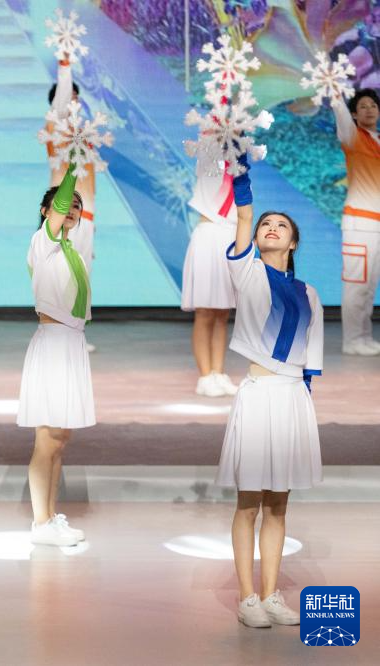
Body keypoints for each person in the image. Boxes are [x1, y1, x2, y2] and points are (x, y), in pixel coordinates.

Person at [216, 153, 323, 628]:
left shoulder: (310, 294)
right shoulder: (249, 273)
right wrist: (240, 170)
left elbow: (310, 363)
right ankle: (247, 598)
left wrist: (304, 409)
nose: (271, 228)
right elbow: (243, 215)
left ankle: (271, 594)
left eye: (282, 225)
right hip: (259, 396)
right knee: (249, 503)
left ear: (293, 241)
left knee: (279, 503)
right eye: (266, 225)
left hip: (292, 400)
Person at [18, 163, 94, 547]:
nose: (72, 209)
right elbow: (62, 202)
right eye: (65, 205)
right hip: (53, 345)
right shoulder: (42, 243)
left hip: (72, 345)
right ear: (47, 212)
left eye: (78, 206)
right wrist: (73, 166)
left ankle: (50, 517)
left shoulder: (72, 250)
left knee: (61, 439)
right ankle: (40, 522)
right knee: (47, 438)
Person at [46, 51, 97, 351]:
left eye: (77, 98)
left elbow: (90, 186)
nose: (73, 103)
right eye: (69, 98)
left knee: (81, 279)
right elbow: (61, 103)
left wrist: (92, 222)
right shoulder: (55, 131)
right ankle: (57, 334)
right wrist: (65, 66)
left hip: (85, 219)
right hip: (64, 218)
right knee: (61, 278)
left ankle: (75, 334)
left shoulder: (84, 139)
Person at [181, 156, 240, 397]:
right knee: (205, 312)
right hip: (208, 235)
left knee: (223, 313)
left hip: (231, 237)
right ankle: (204, 377)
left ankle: (218, 373)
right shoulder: (209, 158)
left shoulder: (240, 165)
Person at [331, 89, 380, 356]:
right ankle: (351, 340)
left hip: (377, 225)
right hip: (359, 224)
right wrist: (335, 95)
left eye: (373, 105)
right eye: (363, 106)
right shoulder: (353, 137)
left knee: (369, 287)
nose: (369, 110)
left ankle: (364, 336)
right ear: (354, 114)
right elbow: (341, 115)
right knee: (356, 285)